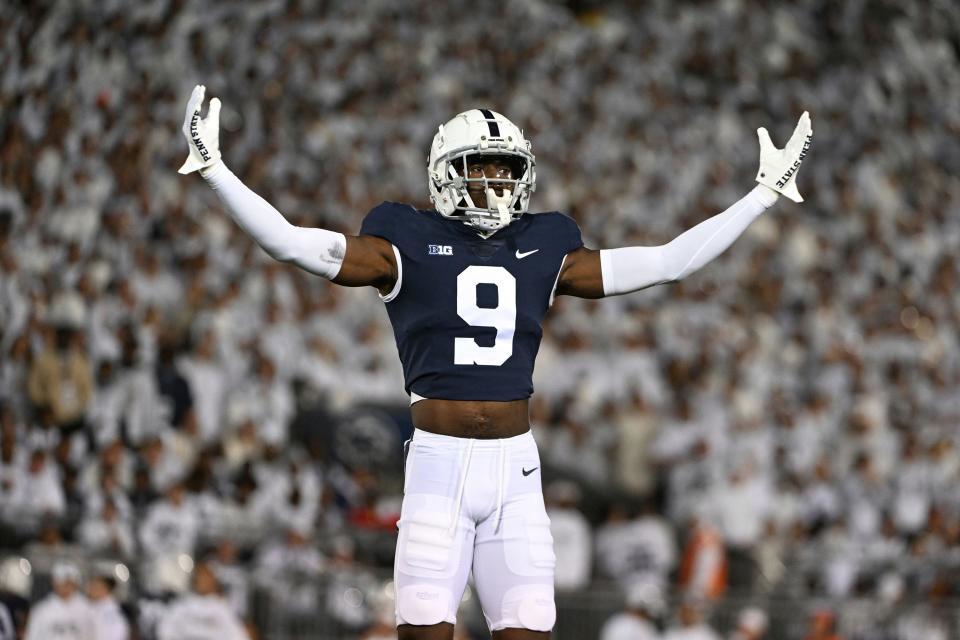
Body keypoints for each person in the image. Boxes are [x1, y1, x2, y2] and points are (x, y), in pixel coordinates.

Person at [179, 84, 812, 640]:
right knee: (425, 633)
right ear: (448, 174)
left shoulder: (544, 242)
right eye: (483, 168)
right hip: (438, 466)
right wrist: (215, 171)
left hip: (517, 471)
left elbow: (671, 261)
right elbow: (292, 245)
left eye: (508, 169)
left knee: (527, 633)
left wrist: (759, 197)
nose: (499, 183)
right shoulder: (403, 236)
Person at [24, 562, 96, 640]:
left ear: (76, 583)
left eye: (69, 582)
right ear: (54, 583)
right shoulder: (42, 609)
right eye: (62, 582)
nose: (66, 586)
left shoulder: (88, 607)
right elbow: (32, 636)